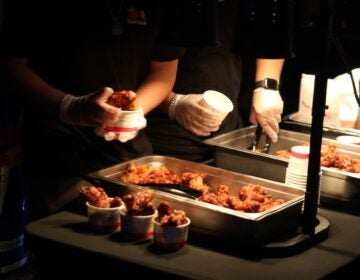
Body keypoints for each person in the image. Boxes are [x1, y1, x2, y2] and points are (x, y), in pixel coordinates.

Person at [0, 0, 185, 220]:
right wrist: (69, 107)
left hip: (129, 159)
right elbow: (9, 65)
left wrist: (133, 113)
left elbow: (163, 70)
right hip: (57, 157)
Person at [146, 0, 291, 162]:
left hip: (228, 128)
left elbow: (270, 24)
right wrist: (173, 104)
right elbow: (130, 69)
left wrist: (266, 85)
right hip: (167, 135)